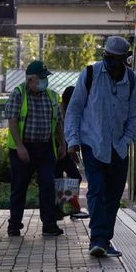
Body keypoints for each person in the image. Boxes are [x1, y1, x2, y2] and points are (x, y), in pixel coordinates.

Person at [64, 35, 136, 259]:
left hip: (118, 147)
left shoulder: (133, 81)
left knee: (113, 195)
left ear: (124, 59)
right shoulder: (90, 74)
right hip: (93, 143)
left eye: (114, 59)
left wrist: (125, 140)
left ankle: (105, 239)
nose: (110, 63)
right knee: (96, 190)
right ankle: (97, 239)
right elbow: (75, 109)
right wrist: (73, 140)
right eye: (107, 57)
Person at [6, 60, 64, 238]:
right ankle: (14, 225)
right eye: (42, 78)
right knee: (19, 187)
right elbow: (12, 121)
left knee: (47, 185)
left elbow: (58, 123)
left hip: (45, 148)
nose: (45, 81)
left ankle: (49, 224)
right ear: (31, 79)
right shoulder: (18, 94)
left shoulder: (51, 96)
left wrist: (62, 143)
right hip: (23, 148)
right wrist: (20, 147)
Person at [57, 86, 85, 221]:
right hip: (60, 150)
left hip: (63, 149)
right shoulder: (62, 111)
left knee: (60, 179)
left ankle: (64, 209)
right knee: (74, 177)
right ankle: (67, 208)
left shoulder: (67, 110)